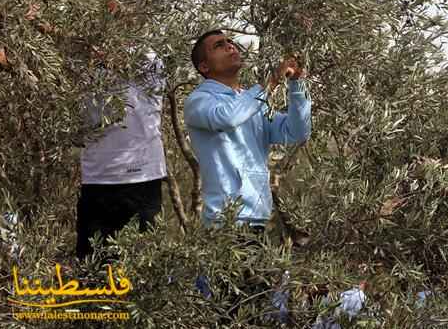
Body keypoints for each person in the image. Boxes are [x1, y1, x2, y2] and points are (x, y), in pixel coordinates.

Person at [184, 30, 311, 229]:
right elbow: (228, 117)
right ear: (204, 66)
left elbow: (296, 132)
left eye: (230, 41)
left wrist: (297, 85)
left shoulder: (251, 101)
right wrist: (271, 82)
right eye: (218, 45)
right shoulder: (198, 101)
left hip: (258, 218)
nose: (230, 46)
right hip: (224, 222)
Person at [76, 52, 167, 259]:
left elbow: (120, 58)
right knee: (93, 265)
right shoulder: (79, 57)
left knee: (143, 265)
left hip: (142, 178)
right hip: (97, 178)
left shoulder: (150, 55)